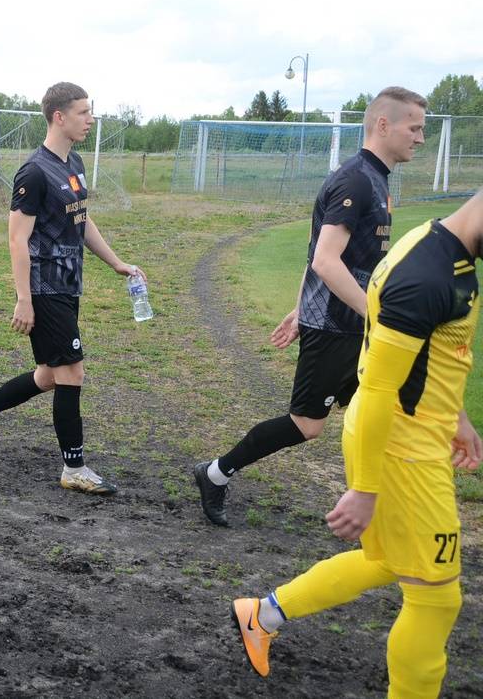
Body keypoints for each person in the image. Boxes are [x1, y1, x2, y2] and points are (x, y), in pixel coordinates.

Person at [231, 194, 483, 698]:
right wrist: (364, 489)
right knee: (436, 598)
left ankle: (264, 615)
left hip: (413, 437)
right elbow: (378, 390)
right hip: (403, 450)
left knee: (390, 560)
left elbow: (427, 354)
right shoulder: (426, 273)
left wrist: (455, 414)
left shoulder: (442, 252)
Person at [194, 87, 428, 526]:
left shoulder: (376, 179)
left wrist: (302, 306)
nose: (420, 138)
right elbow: (324, 259)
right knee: (306, 424)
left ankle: (384, 504)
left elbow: (318, 252)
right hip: (338, 326)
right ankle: (215, 473)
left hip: (354, 325)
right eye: (414, 128)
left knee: (386, 410)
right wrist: (374, 316)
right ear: (383, 125)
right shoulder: (356, 180)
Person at [0, 82, 142, 495]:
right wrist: (24, 299)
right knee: (72, 371)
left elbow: (81, 219)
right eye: (83, 112)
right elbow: (17, 239)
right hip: (44, 286)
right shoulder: (34, 172)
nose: (90, 119)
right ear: (59, 116)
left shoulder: (74, 162)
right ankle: (74, 468)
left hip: (69, 283)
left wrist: (115, 262)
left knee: (51, 375)